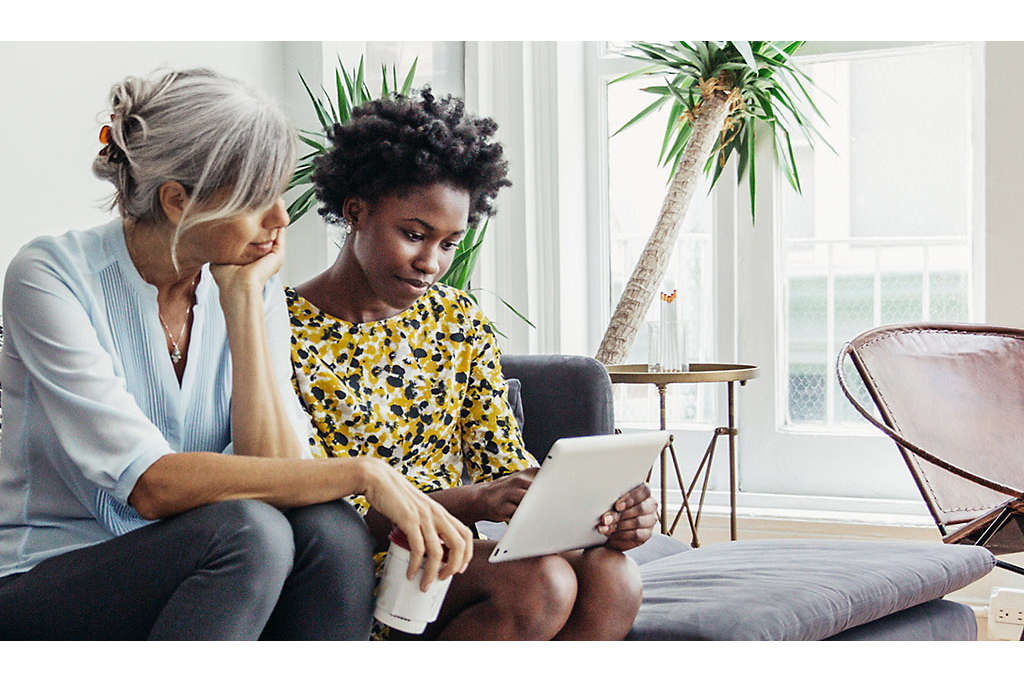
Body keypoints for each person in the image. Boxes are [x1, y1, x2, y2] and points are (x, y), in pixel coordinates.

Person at [0, 69, 472, 640]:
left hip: (205, 560)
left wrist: (243, 302)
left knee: (331, 527)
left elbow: (278, 470)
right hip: (50, 576)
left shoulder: (247, 280)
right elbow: (150, 487)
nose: (280, 219)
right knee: (249, 531)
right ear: (178, 202)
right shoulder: (51, 277)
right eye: (257, 199)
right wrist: (365, 473)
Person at [288, 88, 659, 640]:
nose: (430, 263)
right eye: (413, 235)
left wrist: (597, 513)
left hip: (453, 562)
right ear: (356, 211)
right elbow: (327, 523)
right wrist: (476, 500)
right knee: (543, 582)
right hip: (352, 571)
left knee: (614, 575)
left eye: (449, 243)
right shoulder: (284, 331)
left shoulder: (456, 320)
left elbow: (502, 465)